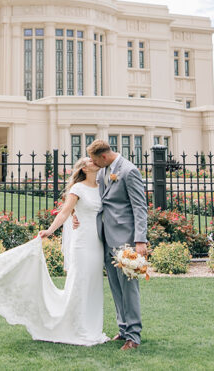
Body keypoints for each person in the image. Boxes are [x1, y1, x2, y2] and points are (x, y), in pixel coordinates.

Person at [0, 157, 109, 346]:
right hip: (82, 243)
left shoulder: (103, 185)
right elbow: (63, 212)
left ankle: (92, 327)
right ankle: (77, 327)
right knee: (81, 282)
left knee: (94, 284)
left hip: (97, 242)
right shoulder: (77, 189)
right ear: (84, 168)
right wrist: (50, 230)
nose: (94, 162)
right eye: (90, 161)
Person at [80, 140, 149, 350]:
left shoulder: (129, 171)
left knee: (128, 288)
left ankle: (134, 336)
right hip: (106, 237)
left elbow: (139, 207)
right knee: (115, 287)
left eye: (93, 160)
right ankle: (124, 329)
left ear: (103, 157)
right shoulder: (104, 171)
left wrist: (140, 241)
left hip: (126, 239)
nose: (91, 163)